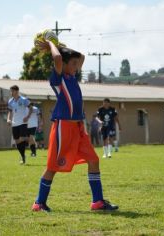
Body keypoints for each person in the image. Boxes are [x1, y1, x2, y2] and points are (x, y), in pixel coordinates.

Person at [31, 38, 118, 212]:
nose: (77, 66)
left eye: (76, 64)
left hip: (78, 128)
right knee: (52, 167)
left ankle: (97, 202)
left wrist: (62, 47)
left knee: (93, 160)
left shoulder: (72, 77)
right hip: (63, 128)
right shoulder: (58, 78)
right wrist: (50, 44)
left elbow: (82, 56)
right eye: (73, 63)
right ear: (63, 64)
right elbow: (57, 59)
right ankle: (39, 203)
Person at [7, 85, 32, 165]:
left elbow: (31, 108)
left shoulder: (24, 100)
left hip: (23, 122)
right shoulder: (10, 101)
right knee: (17, 141)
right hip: (14, 123)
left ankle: (27, 139)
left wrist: (27, 117)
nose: (11, 92)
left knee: (22, 138)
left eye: (12, 91)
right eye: (10, 91)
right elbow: (10, 111)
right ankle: (23, 156)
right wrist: (8, 119)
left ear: (17, 91)